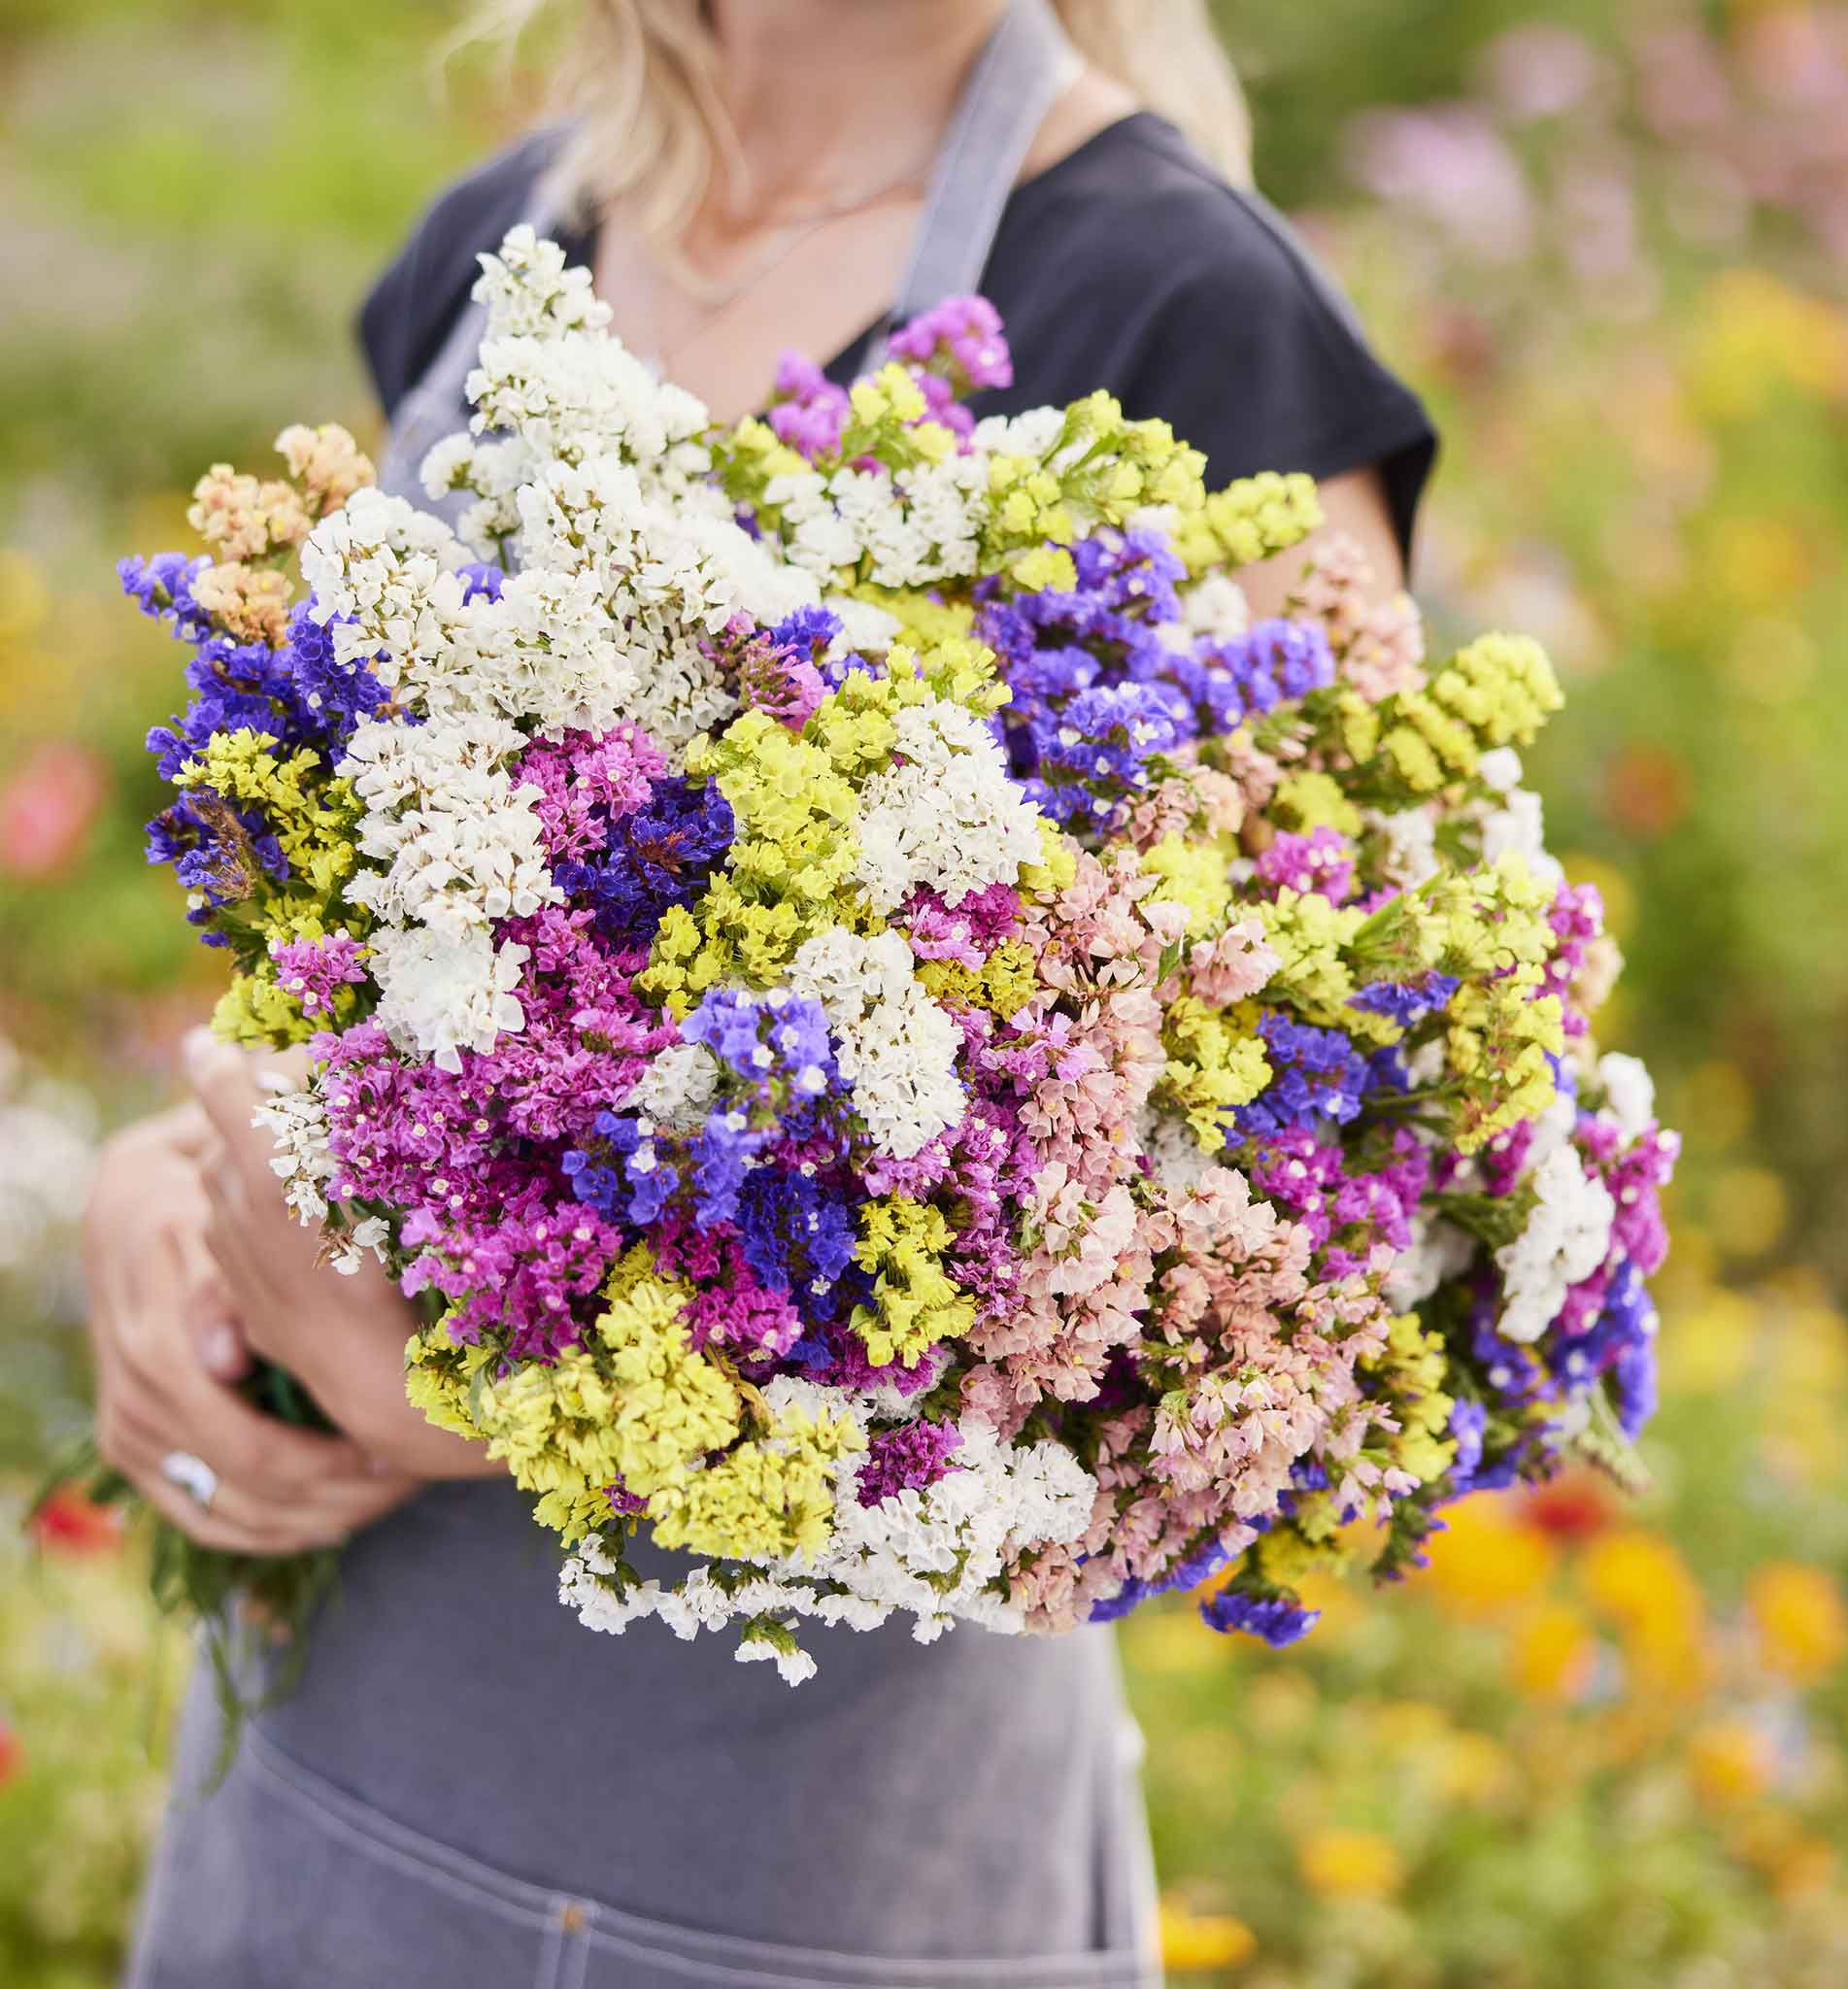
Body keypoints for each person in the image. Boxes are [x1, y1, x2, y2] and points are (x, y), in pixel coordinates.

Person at [99, 4, 1436, 1984]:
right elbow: (330, 931)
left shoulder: (1183, 311)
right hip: (337, 1747)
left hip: (809, 1853)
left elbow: (1305, 1279)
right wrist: (172, 1188)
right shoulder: (507, 244)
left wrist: (536, 1414)